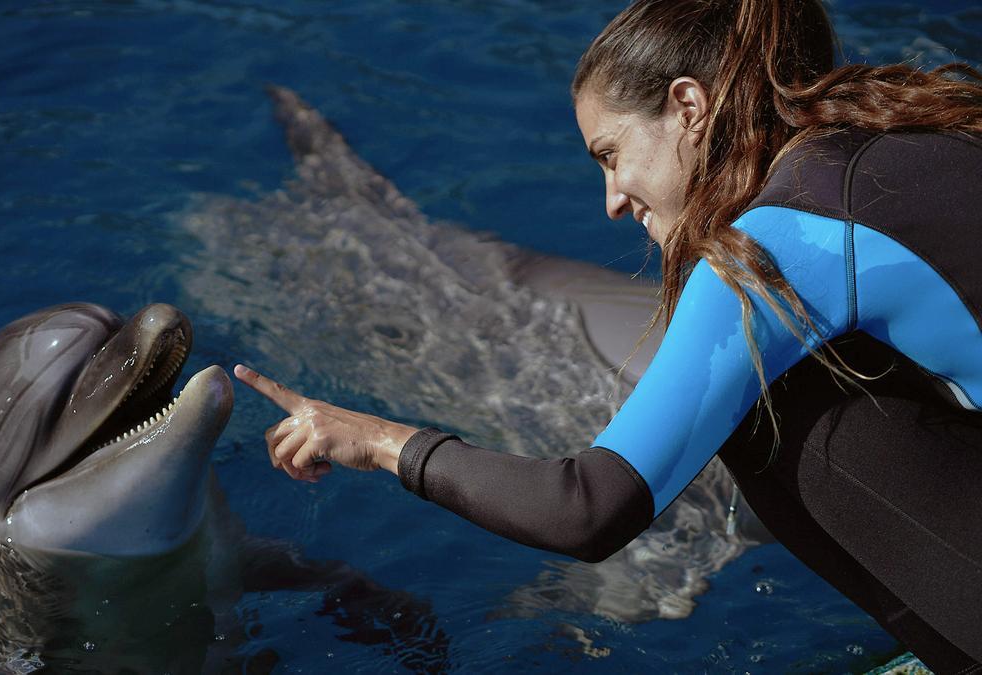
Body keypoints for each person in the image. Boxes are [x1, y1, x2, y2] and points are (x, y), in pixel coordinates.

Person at [234, 0, 982, 668]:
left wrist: (379, 441)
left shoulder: (781, 249)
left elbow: (587, 508)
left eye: (611, 155)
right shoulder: (921, 126)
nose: (612, 202)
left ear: (689, 105)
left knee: (755, 401)